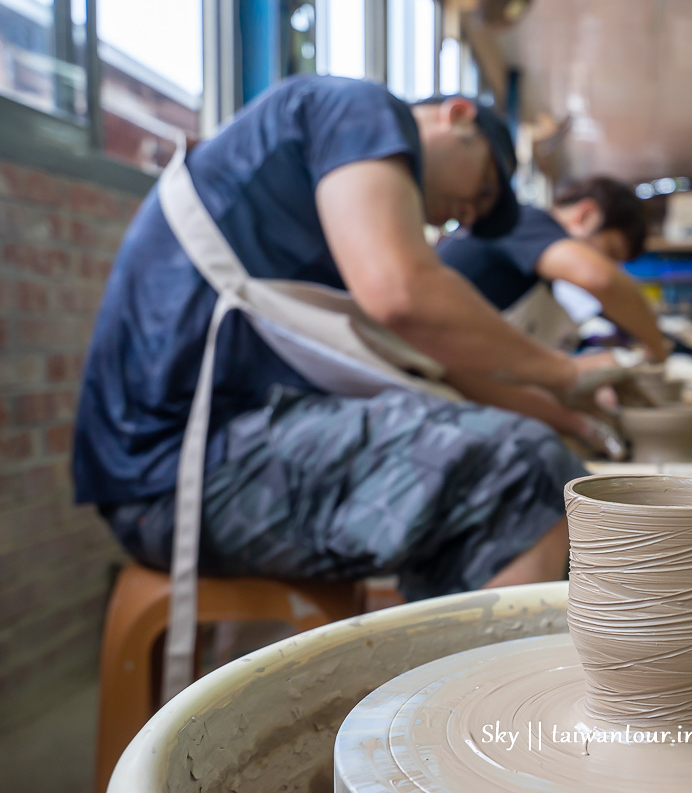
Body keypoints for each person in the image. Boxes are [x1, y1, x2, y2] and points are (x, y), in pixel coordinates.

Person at [73, 75, 604, 602]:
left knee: (528, 457)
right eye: (483, 189)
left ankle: (446, 678)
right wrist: (566, 372)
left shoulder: (330, 224)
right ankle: (477, 689)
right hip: (176, 477)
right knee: (524, 473)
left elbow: (445, 372)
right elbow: (401, 294)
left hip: (184, 469)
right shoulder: (357, 108)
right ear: (458, 115)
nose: (466, 214)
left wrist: (574, 418)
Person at [437, 177, 671, 362]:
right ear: (585, 216)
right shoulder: (523, 221)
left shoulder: (538, 267)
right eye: (609, 252)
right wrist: (656, 347)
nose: (609, 266)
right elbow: (602, 280)